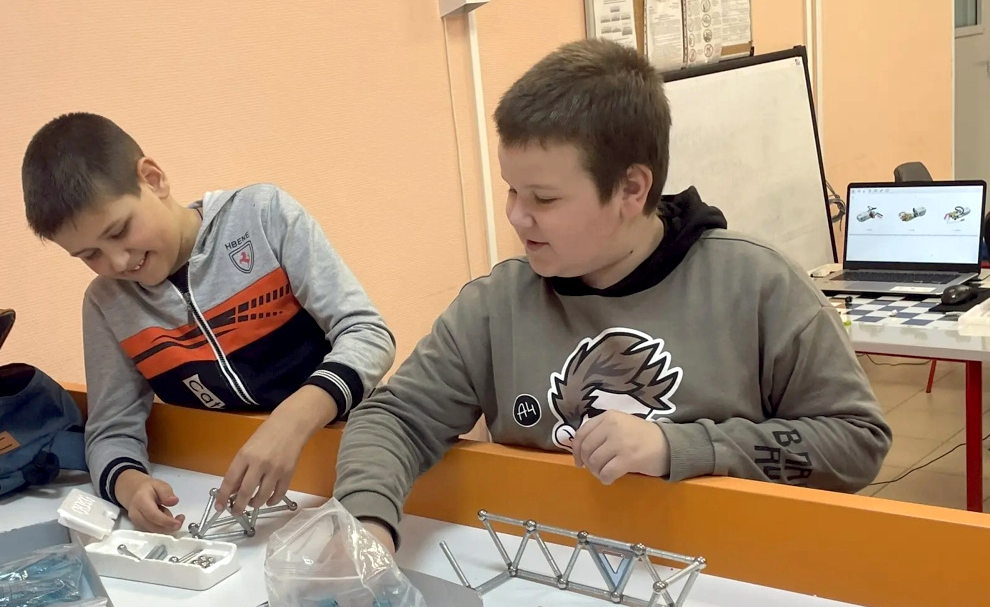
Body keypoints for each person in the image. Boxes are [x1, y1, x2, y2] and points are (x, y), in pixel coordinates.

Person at [333, 39, 891, 551]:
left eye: (544, 199)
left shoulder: (757, 284)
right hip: (551, 573)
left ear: (630, 189)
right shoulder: (496, 304)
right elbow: (395, 418)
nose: (517, 216)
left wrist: (678, 448)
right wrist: (366, 525)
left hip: (728, 577)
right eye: (511, 190)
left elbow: (856, 443)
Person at [22, 113, 395, 533]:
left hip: (353, 460)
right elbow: (110, 429)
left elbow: (368, 335)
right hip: (229, 498)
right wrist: (129, 485)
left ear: (153, 179)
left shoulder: (262, 215)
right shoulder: (106, 304)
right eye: (90, 255)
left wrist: (289, 424)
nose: (118, 261)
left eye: (120, 230)